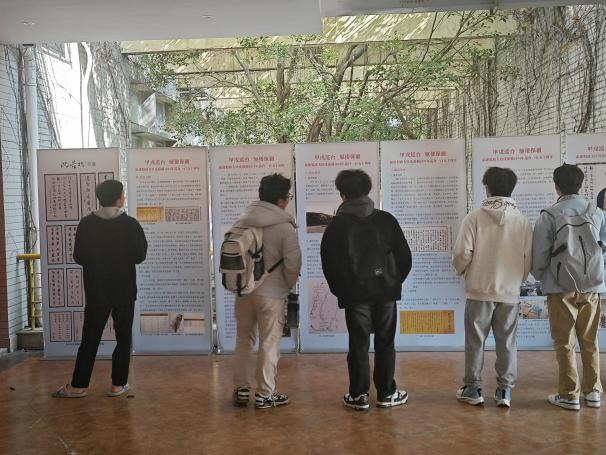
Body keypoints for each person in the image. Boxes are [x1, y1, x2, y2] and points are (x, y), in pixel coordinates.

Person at [320, 169, 412, 410]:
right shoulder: (386, 220)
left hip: (355, 295)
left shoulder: (336, 226)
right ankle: (386, 393)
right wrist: (393, 282)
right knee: (386, 341)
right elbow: (404, 257)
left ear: (342, 194)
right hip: (385, 292)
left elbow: (329, 265)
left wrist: (342, 291)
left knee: (358, 343)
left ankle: (359, 395)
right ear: (368, 191)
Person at [52, 180, 147, 398]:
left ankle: (78, 386)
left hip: (97, 290)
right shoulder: (130, 224)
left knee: (90, 338)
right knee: (124, 337)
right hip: (124, 289)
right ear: (119, 199)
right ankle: (118, 385)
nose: (124, 197)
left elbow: (79, 256)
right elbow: (140, 256)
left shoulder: (87, 224)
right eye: (123, 194)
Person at [452, 167, 532, 408]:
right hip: (509, 292)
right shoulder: (522, 221)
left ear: (487, 188)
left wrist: (463, 271)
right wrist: (517, 280)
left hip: (479, 290)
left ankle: (473, 388)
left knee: (475, 341)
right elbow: (528, 259)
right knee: (507, 342)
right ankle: (504, 390)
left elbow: (462, 254)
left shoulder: (474, 217)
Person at [532, 164, 605, 411]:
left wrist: (539, 275)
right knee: (590, 340)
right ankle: (593, 392)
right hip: (592, 286)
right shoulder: (596, 212)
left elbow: (539, 255)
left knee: (565, 342)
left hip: (559, 286)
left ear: (556, 186)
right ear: (581, 184)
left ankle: (569, 395)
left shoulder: (549, 215)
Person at [232, 174, 302, 409]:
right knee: (269, 342)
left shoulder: (242, 221)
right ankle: (265, 393)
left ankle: (241, 389)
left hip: (243, 291)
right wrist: (287, 285)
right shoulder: (284, 227)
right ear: (281, 200)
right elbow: (293, 263)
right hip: (272, 294)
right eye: (288, 197)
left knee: (244, 340)